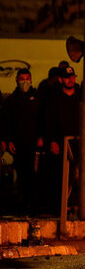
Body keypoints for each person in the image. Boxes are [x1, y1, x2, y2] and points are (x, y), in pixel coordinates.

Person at [0, 68, 42, 214]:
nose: (25, 81)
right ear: (17, 80)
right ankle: (22, 205)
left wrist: (41, 137)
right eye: (22, 78)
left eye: (27, 78)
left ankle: (34, 205)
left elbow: (43, 119)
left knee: (34, 175)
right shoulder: (12, 100)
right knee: (21, 174)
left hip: (34, 143)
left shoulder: (37, 97)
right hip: (18, 144)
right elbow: (6, 122)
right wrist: (8, 140)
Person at [42, 66, 81, 214]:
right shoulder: (54, 99)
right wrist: (52, 141)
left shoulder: (81, 97)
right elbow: (48, 121)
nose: (71, 80)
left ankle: (74, 207)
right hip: (60, 143)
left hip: (77, 144)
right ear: (60, 79)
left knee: (77, 176)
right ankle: (58, 208)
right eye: (67, 77)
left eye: (72, 77)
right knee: (58, 176)